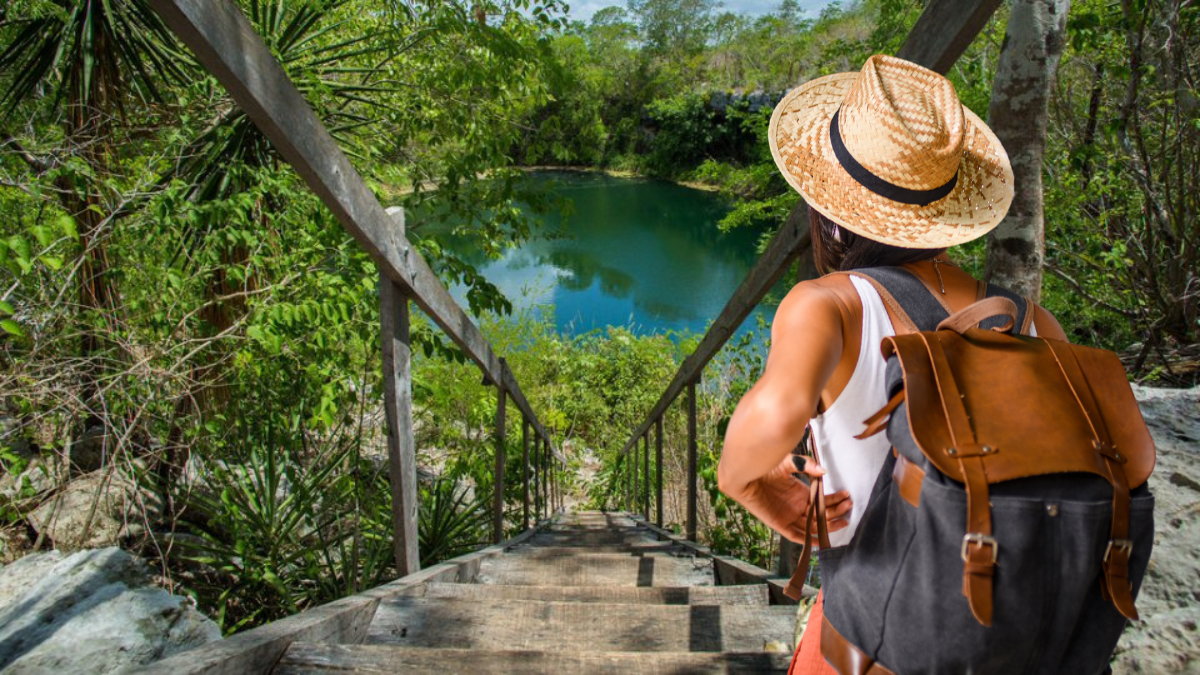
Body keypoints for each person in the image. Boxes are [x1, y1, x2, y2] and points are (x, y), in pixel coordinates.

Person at [716, 54, 1069, 674]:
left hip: (881, 633)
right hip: (1012, 633)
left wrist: (752, 485)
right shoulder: (1034, 321)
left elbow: (762, 431)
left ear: (826, 207)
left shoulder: (829, 305)